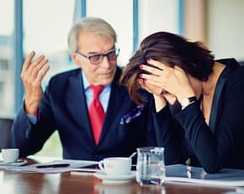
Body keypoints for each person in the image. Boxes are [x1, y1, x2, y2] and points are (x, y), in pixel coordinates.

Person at [119, 31, 244, 173]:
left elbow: (213, 162)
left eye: (166, 87)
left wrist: (185, 95)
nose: (171, 97)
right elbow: (172, 162)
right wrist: (159, 96)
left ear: (180, 67)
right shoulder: (189, 95)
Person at [11, 17, 156, 161]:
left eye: (111, 53)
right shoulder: (59, 86)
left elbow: (154, 150)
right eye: (95, 57)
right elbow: (23, 149)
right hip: (75, 181)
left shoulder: (136, 84)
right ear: (76, 58)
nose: (107, 64)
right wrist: (31, 100)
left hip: (126, 180)